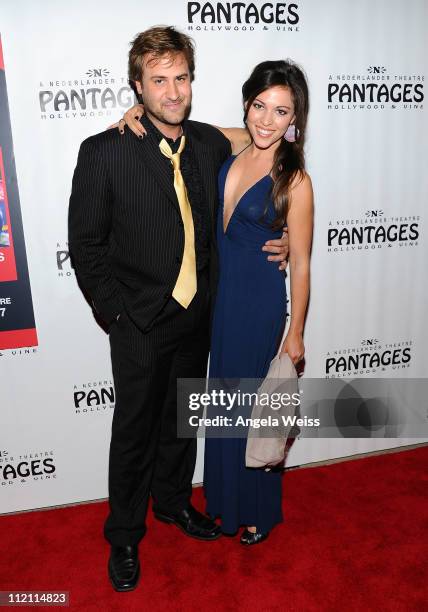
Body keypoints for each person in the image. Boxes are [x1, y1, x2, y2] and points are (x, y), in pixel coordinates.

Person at [68, 26, 288, 592]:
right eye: (158, 80)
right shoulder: (103, 152)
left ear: (192, 81)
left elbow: (266, 138)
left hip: (198, 316)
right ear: (137, 86)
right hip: (137, 323)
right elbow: (86, 248)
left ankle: (172, 504)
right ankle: (123, 535)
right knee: (134, 433)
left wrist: (289, 236)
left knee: (182, 426)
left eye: (181, 78)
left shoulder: (210, 143)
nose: (172, 91)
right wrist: (117, 315)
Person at [120, 59, 313, 545]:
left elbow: (304, 264)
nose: (267, 120)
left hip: (257, 305)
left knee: (253, 409)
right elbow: (178, 123)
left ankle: (257, 511)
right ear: (248, 105)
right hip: (220, 302)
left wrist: (295, 335)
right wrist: (135, 110)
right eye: (259, 106)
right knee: (226, 409)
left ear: (295, 120)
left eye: (281, 112)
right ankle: (227, 502)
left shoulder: (295, 181)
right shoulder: (236, 142)